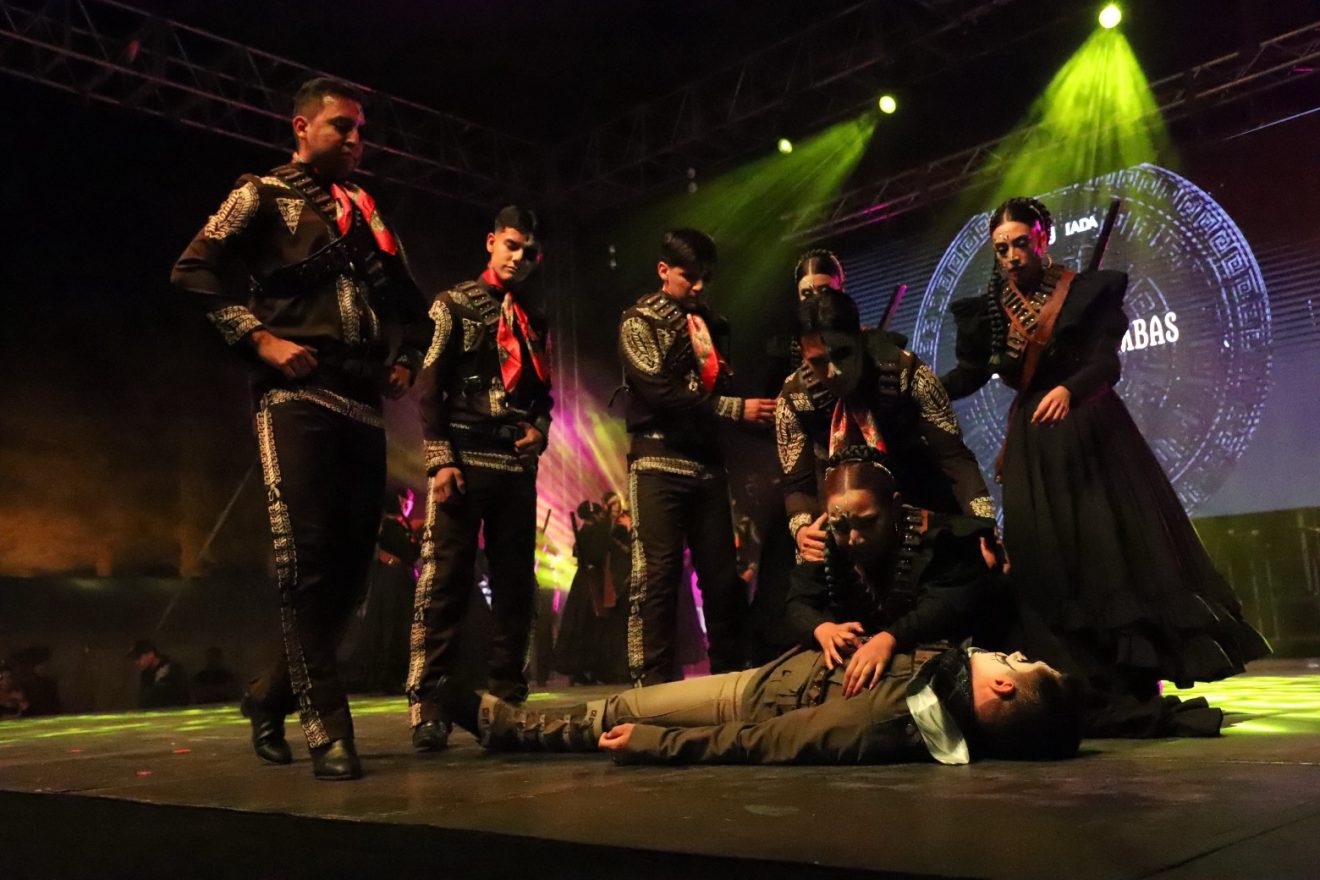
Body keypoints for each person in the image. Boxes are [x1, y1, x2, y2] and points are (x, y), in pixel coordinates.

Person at [170, 76, 430, 780]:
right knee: (304, 565)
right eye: (341, 126)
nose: (354, 140)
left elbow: (415, 309)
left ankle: (269, 697)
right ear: (301, 127)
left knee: (350, 579)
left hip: (363, 403)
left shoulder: (368, 211)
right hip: (295, 398)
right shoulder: (260, 194)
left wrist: (406, 358)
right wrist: (260, 340)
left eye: (360, 130)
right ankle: (328, 731)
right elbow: (192, 271)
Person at [941, 196, 1270, 736]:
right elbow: (971, 373)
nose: (1012, 256)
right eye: (1001, 248)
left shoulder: (1085, 291)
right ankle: (1068, 679)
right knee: (1042, 558)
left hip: (1089, 430)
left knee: (1104, 552)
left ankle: (1124, 683)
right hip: (1033, 444)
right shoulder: (988, 310)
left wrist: (1070, 389)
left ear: (1043, 238)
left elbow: (1105, 362)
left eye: (1021, 243)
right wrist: (920, 388)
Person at [408, 205, 553, 751]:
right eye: (512, 245)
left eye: (529, 252)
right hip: (464, 459)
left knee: (517, 586)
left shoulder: (535, 318)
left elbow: (544, 395)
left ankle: (506, 702)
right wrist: (439, 459)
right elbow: (429, 385)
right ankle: (428, 705)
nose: (519, 258)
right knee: (445, 582)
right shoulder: (451, 304)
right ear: (491, 241)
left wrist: (540, 430)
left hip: (515, 465)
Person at [439, 644, 1083, 765]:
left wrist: (658, 744)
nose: (1009, 653)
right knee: (626, 703)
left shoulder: (902, 714)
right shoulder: (938, 684)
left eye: (1017, 663)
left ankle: (515, 731)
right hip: (770, 676)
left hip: (746, 702)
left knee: (626, 710)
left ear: (1002, 689)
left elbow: (775, 740)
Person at [617, 228, 776, 684]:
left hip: (707, 467)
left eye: (706, 276)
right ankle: (650, 688)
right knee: (657, 578)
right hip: (657, 464)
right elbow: (660, 392)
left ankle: (731, 681)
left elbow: (717, 387)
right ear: (663, 270)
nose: (700, 286)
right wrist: (734, 408)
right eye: (690, 276)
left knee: (723, 580)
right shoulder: (638, 321)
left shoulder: (712, 325)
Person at [777, 261, 994, 565]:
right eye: (818, 361)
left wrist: (984, 526)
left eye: (842, 354)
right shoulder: (793, 398)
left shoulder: (907, 372)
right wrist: (801, 530)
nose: (834, 371)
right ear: (803, 355)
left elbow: (953, 456)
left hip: (920, 511)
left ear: (859, 338)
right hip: (845, 528)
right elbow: (796, 483)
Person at [785, 446, 997, 695]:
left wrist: (890, 638)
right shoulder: (827, 545)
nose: (854, 537)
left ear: (895, 506)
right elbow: (797, 603)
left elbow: (946, 603)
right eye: (840, 526)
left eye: (868, 522)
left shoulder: (941, 539)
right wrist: (821, 629)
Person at [127, 640, 190, 709]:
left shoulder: (173, 670)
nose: (136, 662)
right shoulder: (146, 675)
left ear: (151, 654)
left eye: (138, 657)